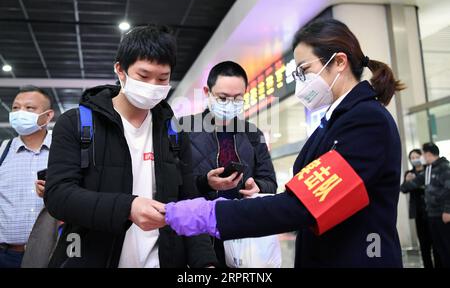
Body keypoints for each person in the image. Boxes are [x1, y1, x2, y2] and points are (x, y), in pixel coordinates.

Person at [162, 18, 406, 267]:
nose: (301, 80)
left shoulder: (366, 120)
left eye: (304, 70)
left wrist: (211, 214)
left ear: (340, 62)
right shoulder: (334, 121)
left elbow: (302, 206)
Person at [44, 25, 217, 268]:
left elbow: (188, 202)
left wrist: (205, 262)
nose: (153, 85)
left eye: (162, 78)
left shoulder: (173, 131)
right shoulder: (76, 123)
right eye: (144, 76)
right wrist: (127, 207)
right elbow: (58, 196)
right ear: (120, 70)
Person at [179, 61, 277, 266]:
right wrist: (206, 183)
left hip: (240, 235)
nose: (230, 103)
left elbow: (269, 181)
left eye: (237, 98)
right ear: (207, 92)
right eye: (222, 98)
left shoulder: (252, 134)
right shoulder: (183, 130)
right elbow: (175, 185)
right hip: (199, 235)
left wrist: (257, 186)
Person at [0, 86, 54, 268]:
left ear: (48, 116)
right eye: (15, 108)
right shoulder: (2, 152)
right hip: (6, 255)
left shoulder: (64, 153)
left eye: (30, 108)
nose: (20, 113)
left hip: (52, 253)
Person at [402, 142, 450, 267]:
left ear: (428, 154)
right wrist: (406, 183)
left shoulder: (445, 167)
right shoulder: (429, 169)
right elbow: (414, 183)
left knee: (446, 247)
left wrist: (448, 210)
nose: (421, 157)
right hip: (431, 214)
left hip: (443, 215)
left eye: (422, 154)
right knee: (439, 247)